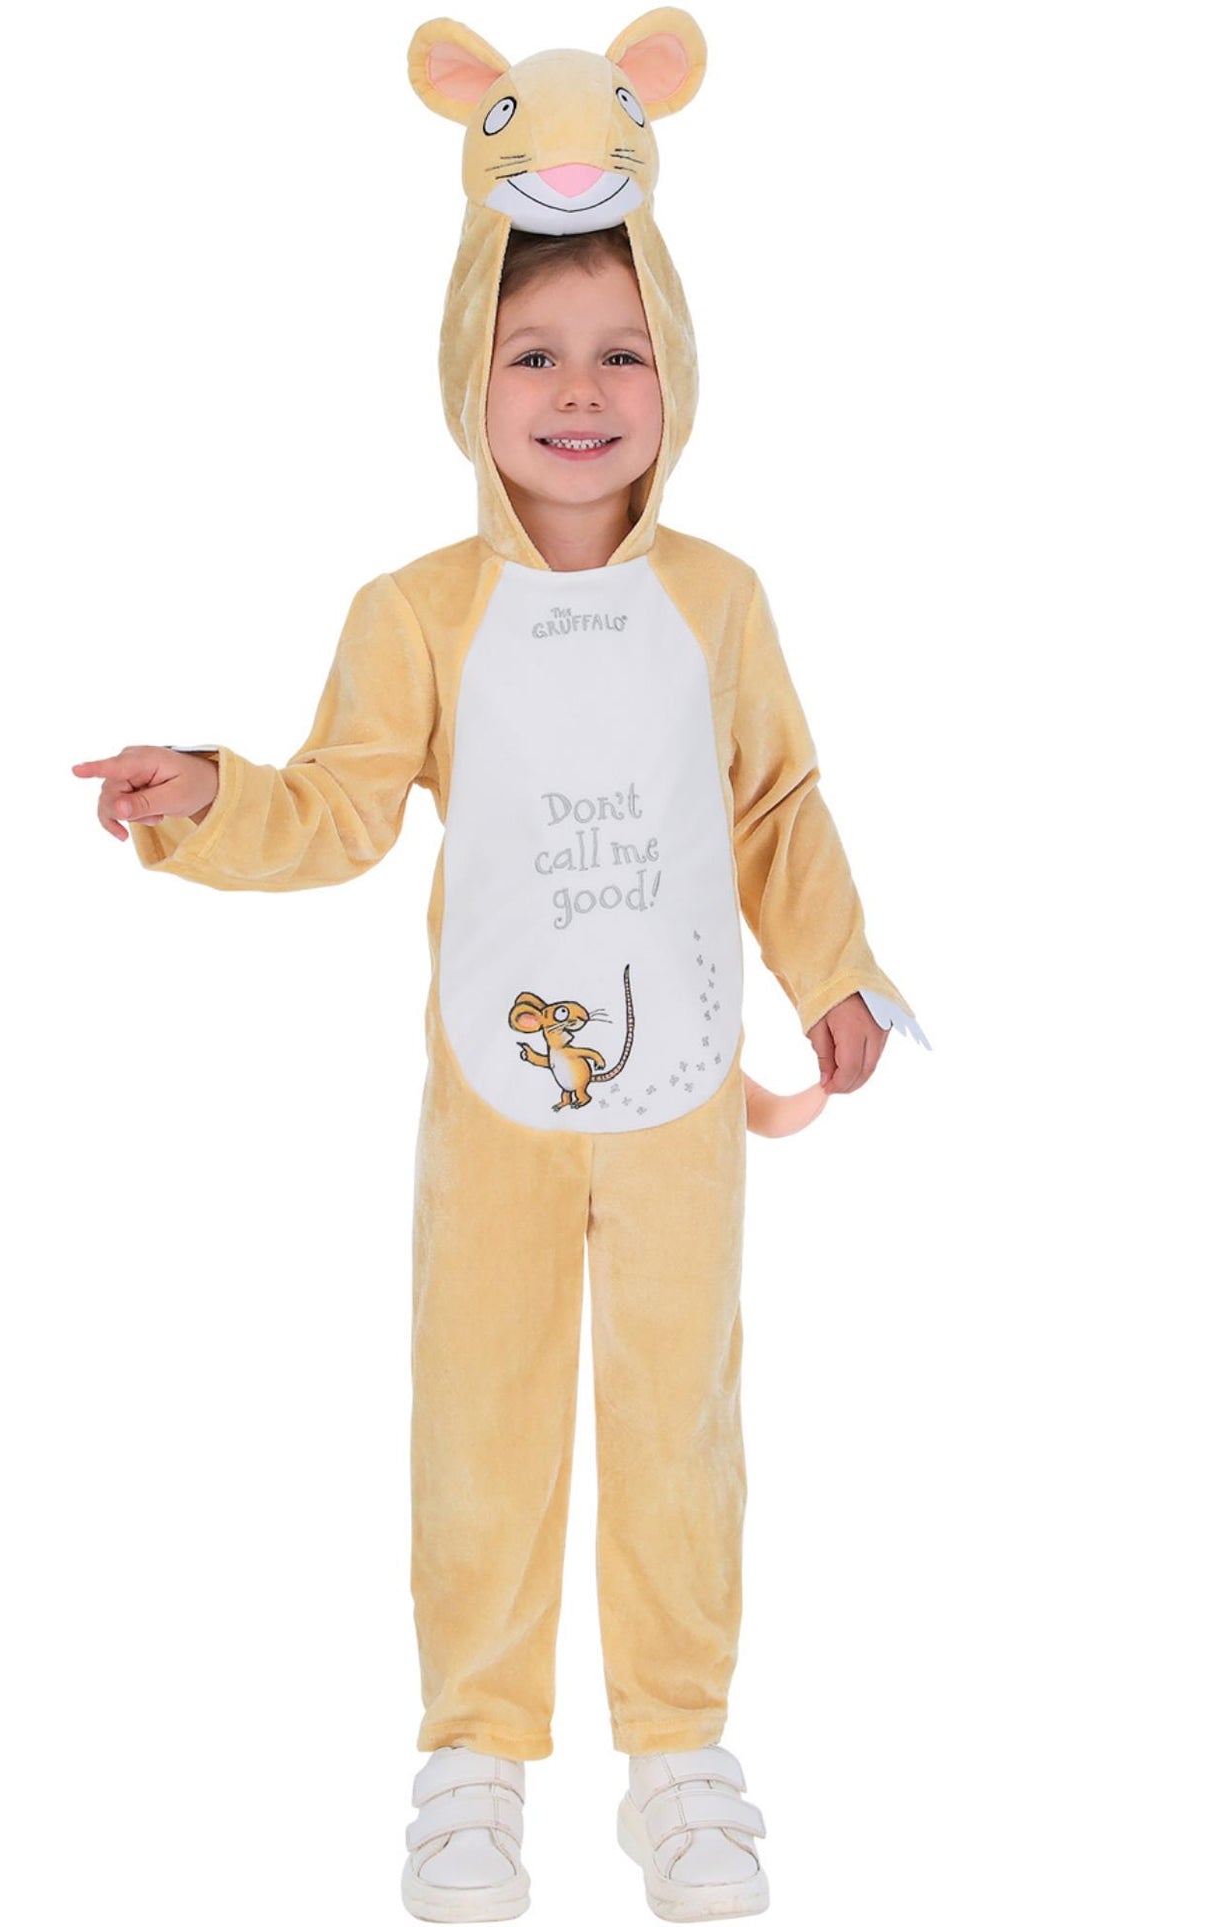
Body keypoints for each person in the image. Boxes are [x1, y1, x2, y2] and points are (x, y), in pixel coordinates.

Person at [73, 14, 928, 1922]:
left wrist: (836, 976)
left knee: (679, 1415)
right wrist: (208, 797)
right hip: (496, 1100)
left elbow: (774, 806)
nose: (579, 389)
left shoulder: (718, 600)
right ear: (466, 367)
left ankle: (679, 1757)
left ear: (677, 368)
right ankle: (470, 1761)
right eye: (533, 351)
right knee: (480, 1412)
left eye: (621, 349)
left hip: (678, 1087)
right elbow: (339, 807)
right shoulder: (417, 612)